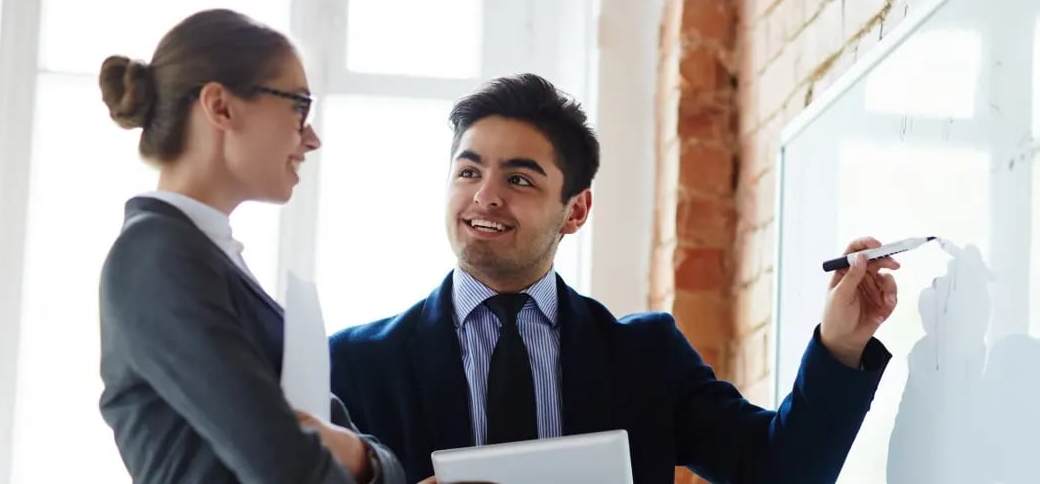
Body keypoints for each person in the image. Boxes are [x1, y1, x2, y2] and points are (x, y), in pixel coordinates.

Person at [328, 73, 900, 483]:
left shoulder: (646, 357)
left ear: (575, 210)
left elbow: (782, 470)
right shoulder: (353, 365)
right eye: (468, 171)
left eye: (519, 179)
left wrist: (841, 344)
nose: (485, 196)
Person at [96, 9, 405, 484]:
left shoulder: (203, 254)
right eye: (299, 107)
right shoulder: (156, 258)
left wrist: (361, 456)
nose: (312, 138)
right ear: (220, 107)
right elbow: (287, 464)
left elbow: (357, 450)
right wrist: (359, 457)